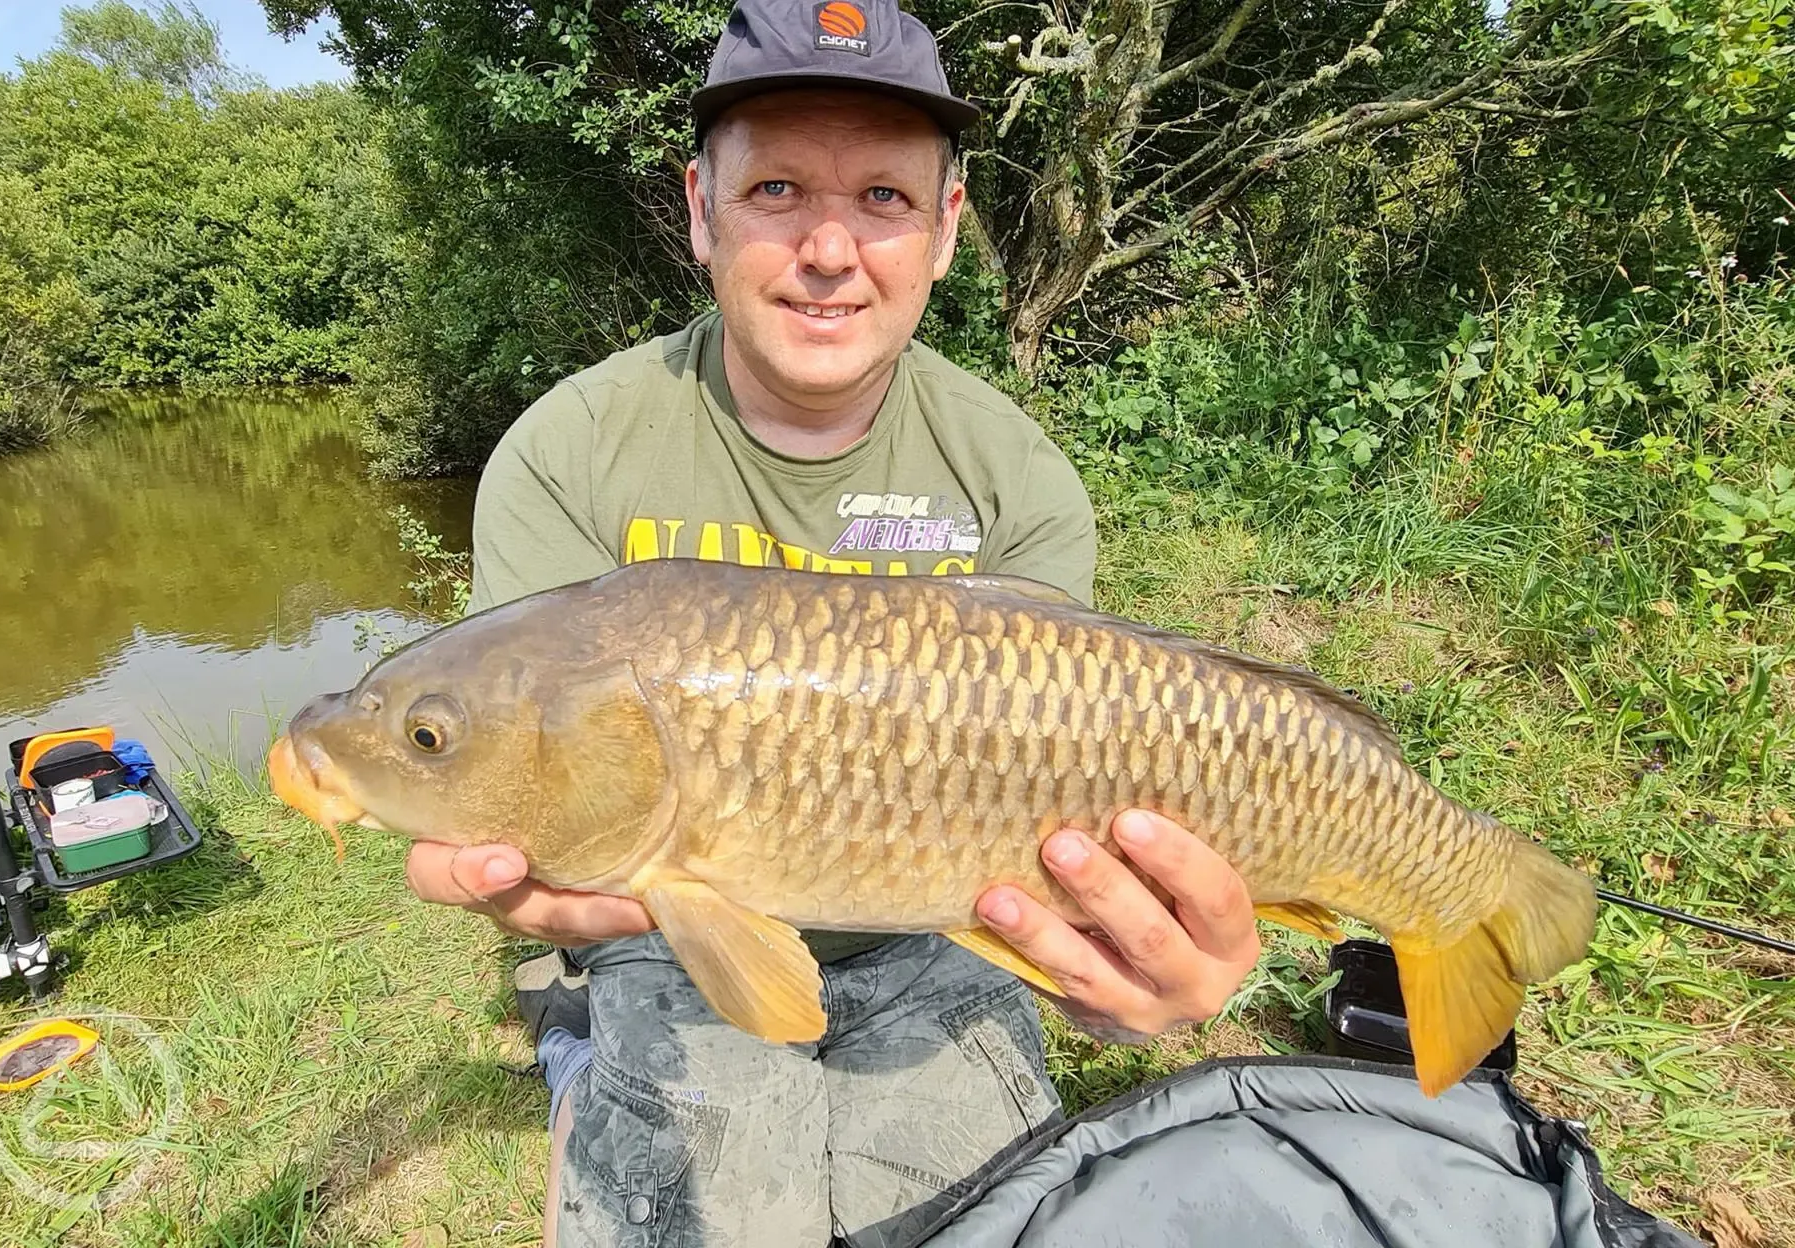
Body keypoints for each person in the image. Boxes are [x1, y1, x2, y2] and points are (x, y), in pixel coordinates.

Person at [403, 1, 1263, 1243]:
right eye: (778, 192)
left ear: (947, 230)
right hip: (668, 916)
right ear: (701, 210)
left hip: (940, 926)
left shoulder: (1013, 478)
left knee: (964, 1219)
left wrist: (1119, 982)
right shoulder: (569, 453)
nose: (828, 247)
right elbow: (516, 763)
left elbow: (1070, 841)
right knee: (717, 1200)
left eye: (882, 200)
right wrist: (520, 884)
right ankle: (585, 1062)